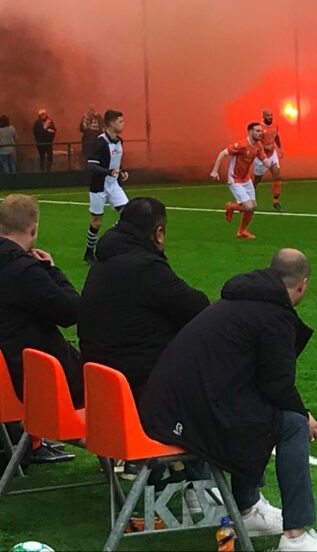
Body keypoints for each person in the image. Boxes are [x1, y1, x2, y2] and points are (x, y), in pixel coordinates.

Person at [139, 250, 317, 551]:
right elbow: (278, 386)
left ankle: (247, 508)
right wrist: (305, 414)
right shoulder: (275, 317)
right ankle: (296, 535)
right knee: (293, 424)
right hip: (188, 414)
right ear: (303, 285)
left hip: (165, 408)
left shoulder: (235, 301)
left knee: (261, 413)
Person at [78, 197, 209, 396]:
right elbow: (197, 307)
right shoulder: (147, 268)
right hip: (138, 386)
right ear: (159, 234)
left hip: (97, 382)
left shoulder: (102, 263)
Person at [0, 194, 81, 463]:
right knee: (117, 376)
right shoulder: (24, 271)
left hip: (10, 370)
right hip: (32, 377)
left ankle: (29, 443)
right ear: (33, 228)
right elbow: (71, 311)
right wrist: (53, 271)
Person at [210, 121, 270, 239]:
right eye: (257, 131)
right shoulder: (241, 145)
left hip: (246, 179)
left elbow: (264, 158)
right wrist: (215, 171)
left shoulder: (258, 145)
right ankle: (231, 207)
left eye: (261, 131)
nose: (260, 133)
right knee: (248, 207)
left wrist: (270, 164)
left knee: (253, 206)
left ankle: (242, 231)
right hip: (235, 179)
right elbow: (223, 153)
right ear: (250, 132)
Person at [84, 110, 129, 264]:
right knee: (96, 221)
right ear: (111, 123)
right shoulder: (101, 142)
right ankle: (89, 252)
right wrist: (108, 172)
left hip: (114, 184)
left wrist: (121, 171)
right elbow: (91, 165)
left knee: (128, 213)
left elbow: (115, 162)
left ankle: (110, 240)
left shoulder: (119, 141)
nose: (123, 124)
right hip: (99, 186)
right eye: (120, 121)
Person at [253, 109, 284, 212]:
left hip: (272, 155)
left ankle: (276, 201)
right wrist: (265, 147)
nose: (270, 117)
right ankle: (249, 195)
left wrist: (279, 148)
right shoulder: (259, 128)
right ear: (263, 116)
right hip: (261, 156)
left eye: (271, 115)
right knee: (257, 179)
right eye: (268, 115)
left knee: (277, 177)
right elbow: (256, 142)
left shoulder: (275, 125)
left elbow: (276, 136)